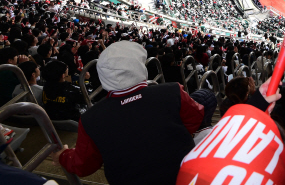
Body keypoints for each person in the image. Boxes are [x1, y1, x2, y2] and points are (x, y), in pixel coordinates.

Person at [52, 41, 205, 185]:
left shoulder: (90, 119)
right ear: (138, 66)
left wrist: (64, 156)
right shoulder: (172, 91)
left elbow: (83, 165)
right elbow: (196, 118)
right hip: (185, 177)